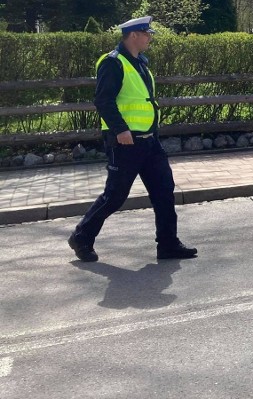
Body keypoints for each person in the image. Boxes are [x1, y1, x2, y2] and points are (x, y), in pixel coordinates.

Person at [68, 16, 197, 262]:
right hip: (126, 141)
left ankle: (168, 244)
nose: (150, 38)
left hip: (149, 140)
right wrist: (120, 130)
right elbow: (103, 101)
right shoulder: (113, 63)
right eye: (147, 33)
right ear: (134, 35)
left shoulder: (140, 63)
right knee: (115, 196)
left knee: (164, 191)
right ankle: (81, 237)